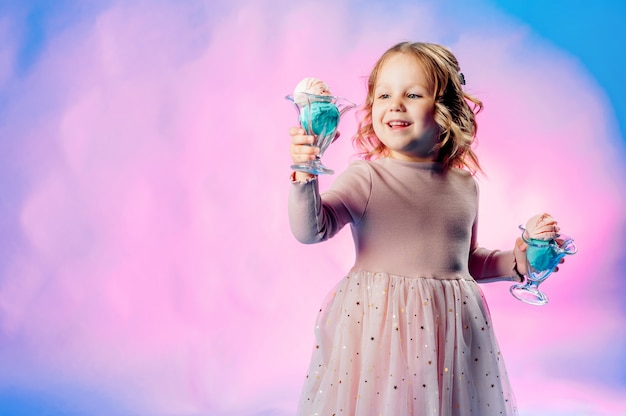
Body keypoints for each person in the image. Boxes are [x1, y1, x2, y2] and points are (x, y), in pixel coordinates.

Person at [287, 41, 556, 415]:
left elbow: (466, 263)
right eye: (383, 94)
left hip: (450, 331)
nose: (395, 104)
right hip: (379, 326)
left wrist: (520, 262)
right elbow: (311, 229)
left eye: (412, 94)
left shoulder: (464, 186)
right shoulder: (366, 176)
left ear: (445, 110)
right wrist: (306, 172)